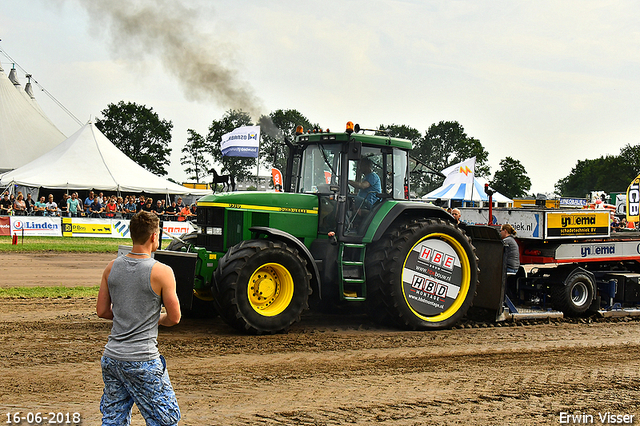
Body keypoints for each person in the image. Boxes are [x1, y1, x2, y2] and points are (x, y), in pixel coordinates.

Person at [96, 211, 181, 425]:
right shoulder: (162, 271)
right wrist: (156, 319)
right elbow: (175, 317)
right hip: (142, 358)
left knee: (113, 419)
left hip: (112, 358)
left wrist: (129, 314)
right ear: (153, 236)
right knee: (166, 420)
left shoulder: (111, 267)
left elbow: (102, 311)